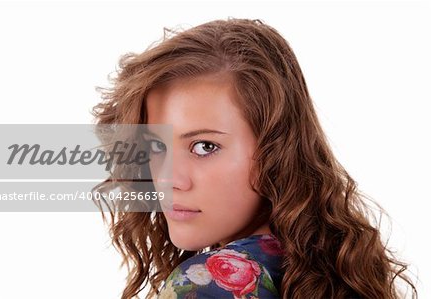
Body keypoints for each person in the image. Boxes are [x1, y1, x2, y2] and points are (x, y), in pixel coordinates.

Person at [92, 18, 417, 299]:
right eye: (156, 146)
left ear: (274, 151)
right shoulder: (331, 266)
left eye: (204, 146)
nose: (169, 179)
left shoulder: (206, 283)